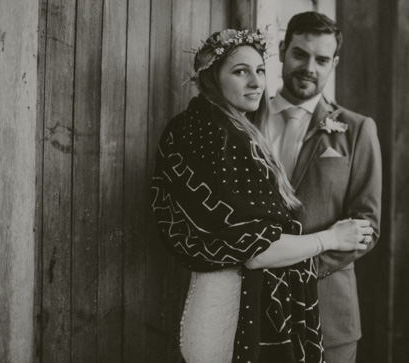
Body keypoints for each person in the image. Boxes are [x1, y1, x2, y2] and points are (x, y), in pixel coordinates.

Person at [150, 28, 373, 363]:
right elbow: (257, 250)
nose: (256, 83)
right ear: (212, 78)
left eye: (259, 70)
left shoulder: (226, 126)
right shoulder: (213, 135)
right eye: (241, 71)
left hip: (255, 302)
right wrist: (330, 237)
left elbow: (368, 222)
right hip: (235, 311)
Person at [268, 12, 382, 363]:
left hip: (327, 310)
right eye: (300, 54)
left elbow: (367, 227)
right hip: (252, 306)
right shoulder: (245, 122)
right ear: (283, 50)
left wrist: (298, 266)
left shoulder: (357, 129)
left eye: (321, 59)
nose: (309, 67)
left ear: (333, 64)